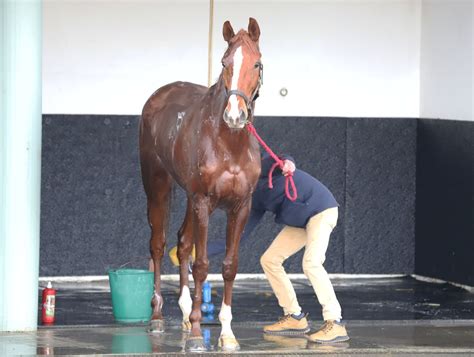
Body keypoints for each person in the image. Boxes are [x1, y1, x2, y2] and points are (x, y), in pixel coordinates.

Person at [173, 152, 349, 343]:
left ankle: (335, 322)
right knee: (270, 260)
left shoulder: (257, 170)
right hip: (302, 221)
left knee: (312, 263)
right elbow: (236, 239)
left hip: (321, 210)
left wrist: (289, 162)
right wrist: (195, 251)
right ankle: (295, 317)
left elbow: (280, 157)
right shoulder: (252, 200)